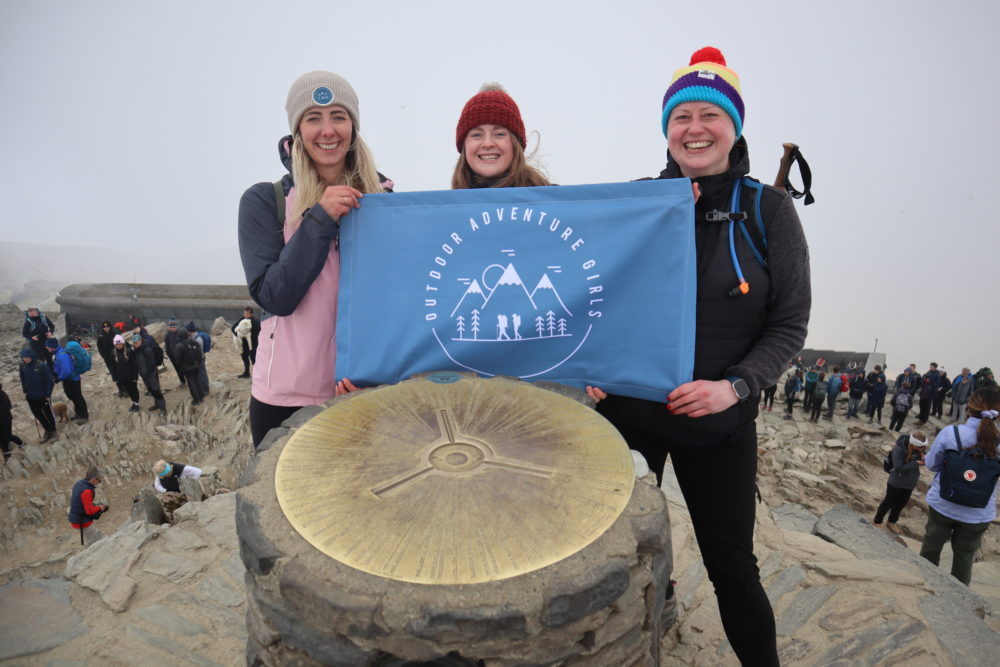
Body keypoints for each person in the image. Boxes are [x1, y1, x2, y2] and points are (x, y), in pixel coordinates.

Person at [593, 47, 810, 666]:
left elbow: (789, 321)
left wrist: (736, 387)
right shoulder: (637, 200)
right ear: (667, 130)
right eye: (681, 115)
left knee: (733, 571)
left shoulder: (768, 209)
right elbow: (589, 294)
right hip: (631, 418)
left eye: (709, 115)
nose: (695, 127)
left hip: (718, 423)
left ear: (733, 127)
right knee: (620, 553)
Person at [238, 70, 393, 448]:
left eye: (339, 117)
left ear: (353, 127)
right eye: (313, 118)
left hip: (361, 389)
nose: (328, 130)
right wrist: (319, 219)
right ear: (296, 129)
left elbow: (393, 300)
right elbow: (275, 296)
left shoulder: (384, 200)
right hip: (285, 398)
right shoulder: (264, 201)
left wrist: (377, 371)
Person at [919, 388, 1000, 585]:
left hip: (944, 504)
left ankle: (922, 587)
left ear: (969, 408)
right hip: (978, 513)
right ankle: (960, 603)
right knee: (964, 558)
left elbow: (932, 465)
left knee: (931, 548)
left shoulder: (952, 432)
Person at [451, 83, 550, 189]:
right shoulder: (447, 204)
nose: (487, 144)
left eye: (499, 134)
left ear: (516, 143)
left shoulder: (552, 201)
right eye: (476, 135)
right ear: (464, 146)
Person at [872, 430, 926, 533]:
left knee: (900, 504)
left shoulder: (920, 449)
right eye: (919, 447)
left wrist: (925, 458)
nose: (921, 449)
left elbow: (922, 456)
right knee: (888, 502)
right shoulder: (899, 449)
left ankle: (892, 522)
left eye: (922, 447)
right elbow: (898, 467)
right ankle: (876, 521)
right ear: (913, 443)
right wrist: (916, 463)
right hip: (896, 482)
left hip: (910, 483)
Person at [18, 348, 57, 443]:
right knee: (38, 415)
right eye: (24, 358)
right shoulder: (23, 365)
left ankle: (53, 432)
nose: (25, 359)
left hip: (43, 396)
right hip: (31, 396)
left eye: (27, 357)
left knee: (48, 414)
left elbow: (49, 381)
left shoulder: (41, 365)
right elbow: (22, 378)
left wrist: (47, 394)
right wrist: (25, 390)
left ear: (32, 356)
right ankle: (47, 430)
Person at [46, 338, 89, 423]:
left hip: (72, 379)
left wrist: (59, 378)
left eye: (47, 346)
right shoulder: (58, 353)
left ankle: (84, 415)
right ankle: (78, 413)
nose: (47, 348)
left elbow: (67, 370)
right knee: (73, 397)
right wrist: (55, 373)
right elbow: (59, 366)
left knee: (77, 397)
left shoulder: (62, 355)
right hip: (69, 379)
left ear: (52, 347)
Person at [68, 466, 108, 545]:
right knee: (99, 541)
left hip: (75, 518)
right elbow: (89, 511)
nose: (99, 482)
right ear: (93, 479)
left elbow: (80, 501)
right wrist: (100, 507)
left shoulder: (79, 483)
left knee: (89, 538)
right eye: (99, 481)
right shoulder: (87, 491)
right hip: (82, 521)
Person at [132, 333, 166, 413]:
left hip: (151, 374)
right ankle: (157, 404)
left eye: (136, 342)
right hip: (144, 375)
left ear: (140, 341)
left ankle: (162, 408)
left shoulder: (147, 350)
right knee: (151, 390)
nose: (135, 344)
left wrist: (148, 374)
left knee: (156, 390)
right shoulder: (136, 350)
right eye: (134, 343)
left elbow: (151, 363)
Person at [173, 328, 206, 405]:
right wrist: (198, 362)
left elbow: (177, 359)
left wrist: (180, 367)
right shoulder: (194, 342)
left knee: (191, 384)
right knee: (198, 380)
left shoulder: (179, 346)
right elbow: (199, 353)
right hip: (195, 365)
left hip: (186, 368)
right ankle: (201, 396)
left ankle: (196, 400)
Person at [113, 334, 142, 412]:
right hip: (122, 376)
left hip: (131, 375)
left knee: (134, 389)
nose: (119, 346)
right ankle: (133, 402)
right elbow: (113, 367)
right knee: (128, 390)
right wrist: (115, 377)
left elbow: (135, 364)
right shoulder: (113, 353)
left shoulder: (129, 351)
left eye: (120, 344)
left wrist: (135, 376)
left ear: (123, 343)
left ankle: (136, 404)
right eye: (117, 344)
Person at [96, 320, 125, 397]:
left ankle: (125, 389)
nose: (106, 328)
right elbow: (99, 348)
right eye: (104, 327)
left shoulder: (115, 334)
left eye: (107, 326)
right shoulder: (100, 336)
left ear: (110, 327)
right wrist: (104, 356)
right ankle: (120, 389)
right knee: (114, 374)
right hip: (108, 359)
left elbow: (121, 345)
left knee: (121, 373)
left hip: (117, 358)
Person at [231, 307, 260, 379]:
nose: (245, 315)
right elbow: (233, 328)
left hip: (253, 344)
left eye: (247, 313)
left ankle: (259, 376)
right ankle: (246, 373)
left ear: (251, 314)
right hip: (243, 344)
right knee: (244, 358)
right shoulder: (242, 319)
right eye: (244, 313)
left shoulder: (256, 322)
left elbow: (257, 332)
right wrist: (239, 336)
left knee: (254, 360)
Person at [1, 382, 25, 464]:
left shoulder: (2, 394)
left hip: (5, 418)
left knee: (8, 435)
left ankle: (22, 444)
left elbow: (8, 405)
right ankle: (7, 455)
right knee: (1, 438)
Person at [185, 322, 211, 397]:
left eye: (187, 330)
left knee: (202, 374)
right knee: (200, 374)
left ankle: (206, 389)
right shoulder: (194, 337)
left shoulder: (198, 340)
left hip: (200, 359)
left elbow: (197, 352)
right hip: (200, 358)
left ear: (190, 331)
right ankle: (203, 387)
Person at [163, 319, 187, 389]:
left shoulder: (181, 332)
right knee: (178, 369)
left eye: (174, 326)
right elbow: (167, 345)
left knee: (186, 368)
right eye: (171, 327)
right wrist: (169, 354)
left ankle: (190, 381)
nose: (172, 328)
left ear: (177, 326)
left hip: (182, 355)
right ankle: (182, 381)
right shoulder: (167, 335)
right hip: (173, 356)